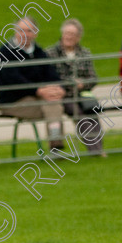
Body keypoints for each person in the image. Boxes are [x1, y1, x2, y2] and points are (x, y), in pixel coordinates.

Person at [0, 17, 66, 150]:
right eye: (21, 30)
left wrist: (59, 88)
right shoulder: (5, 52)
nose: (24, 34)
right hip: (13, 101)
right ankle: (56, 143)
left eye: (28, 31)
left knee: (52, 102)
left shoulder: (39, 52)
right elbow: (14, 80)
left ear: (35, 33)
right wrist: (38, 91)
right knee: (53, 106)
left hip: (36, 97)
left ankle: (56, 143)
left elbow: (51, 73)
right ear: (15, 32)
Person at [45, 19, 106, 157]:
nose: (69, 37)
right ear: (62, 34)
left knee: (92, 113)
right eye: (67, 33)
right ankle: (96, 151)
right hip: (63, 96)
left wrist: (83, 84)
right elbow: (50, 78)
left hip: (82, 94)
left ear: (78, 37)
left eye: (73, 34)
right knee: (79, 114)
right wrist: (71, 83)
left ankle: (98, 150)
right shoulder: (50, 53)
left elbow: (93, 78)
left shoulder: (85, 53)